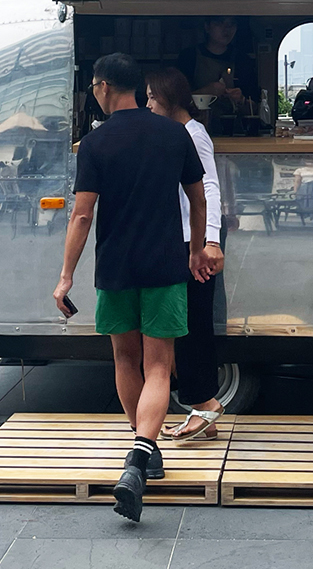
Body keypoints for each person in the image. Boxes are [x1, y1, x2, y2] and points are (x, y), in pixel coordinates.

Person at [53, 53, 214, 524]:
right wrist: (197, 250)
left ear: (103, 87)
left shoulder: (96, 144)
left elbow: (82, 215)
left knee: (125, 359)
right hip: (165, 263)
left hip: (116, 268)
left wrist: (66, 276)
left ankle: (140, 454)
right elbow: (198, 196)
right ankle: (144, 454)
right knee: (160, 366)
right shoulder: (174, 133)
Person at [145, 68, 227, 443]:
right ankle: (200, 408)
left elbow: (209, 186)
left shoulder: (194, 134)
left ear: (169, 99)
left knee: (192, 325)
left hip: (192, 242)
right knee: (185, 324)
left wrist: (210, 241)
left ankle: (205, 404)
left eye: (151, 97)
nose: (147, 104)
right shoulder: (176, 133)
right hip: (182, 239)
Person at [179, 16, 259, 113]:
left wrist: (241, 99)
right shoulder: (189, 57)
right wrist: (206, 91)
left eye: (231, 24)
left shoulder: (243, 60)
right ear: (207, 27)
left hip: (233, 124)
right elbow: (177, 101)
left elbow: (256, 106)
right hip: (196, 121)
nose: (226, 29)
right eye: (219, 23)